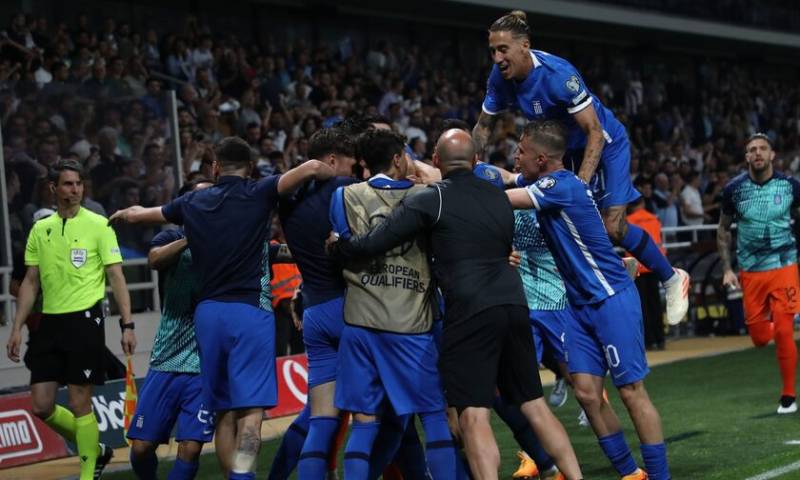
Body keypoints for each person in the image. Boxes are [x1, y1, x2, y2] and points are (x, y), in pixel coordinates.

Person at [328, 128, 582, 480]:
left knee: (473, 415)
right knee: (534, 406)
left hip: (470, 311)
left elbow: (374, 242)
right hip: (513, 303)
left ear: (435, 160)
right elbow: (500, 249)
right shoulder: (500, 196)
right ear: (476, 160)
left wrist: (339, 245)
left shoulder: (431, 198)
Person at [108, 137, 335, 479]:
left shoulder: (193, 200)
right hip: (249, 313)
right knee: (250, 416)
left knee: (223, 413)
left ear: (215, 168)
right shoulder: (259, 191)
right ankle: (242, 477)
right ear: (251, 167)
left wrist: (124, 214)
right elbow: (314, 167)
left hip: (209, 315)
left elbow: (143, 215)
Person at [473, 9, 689, 326]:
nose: (497, 58)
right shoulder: (499, 77)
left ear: (524, 46)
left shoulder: (559, 75)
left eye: (503, 49)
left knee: (613, 227)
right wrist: (469, 165)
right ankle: (615, 265)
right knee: (555, 222)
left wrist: (580, 187)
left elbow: (594, 132)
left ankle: (671, 277)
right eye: (493, 51)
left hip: (604, 142)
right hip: (565, 150)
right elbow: (483, 127)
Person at [506, 120, 669, 480]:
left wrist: (457, 191)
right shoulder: (545, 183)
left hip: (609, 298)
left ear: (542, 158)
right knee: (586, 394)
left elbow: (501, 197)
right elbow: (502, 178)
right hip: (578, 306)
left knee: (631, 391)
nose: (516, 156)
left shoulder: (559, 186)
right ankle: (631, 474)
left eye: (521, 151)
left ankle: (660, 477)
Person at [329, 128, 457, 479]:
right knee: (433, 414)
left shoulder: (343, 195)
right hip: (410, 322)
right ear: (399, 158)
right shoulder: (427, 196)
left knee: (364, 423)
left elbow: (342, 246)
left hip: (360, 321)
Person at [6, 159, 135, 480]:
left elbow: (116, 277)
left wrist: (127, 324)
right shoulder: (40, 229)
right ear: (53, 188)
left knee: (80, 402)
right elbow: (31, 282)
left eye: (78, 184)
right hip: (49, 323)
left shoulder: (99, 225)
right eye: (67, 184)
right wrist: (17, 327)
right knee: (41, 405)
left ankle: (88, 473)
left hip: (85, 321)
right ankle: (97, 448)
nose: (75, 190)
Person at [126, 178, 215, 480]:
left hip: (204, 365)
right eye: (201, 198)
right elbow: (154, 260)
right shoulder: (171, 236)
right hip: (167, 360)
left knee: (190, 449)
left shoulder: (225, 241)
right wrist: (192, 237)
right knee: (141, 448)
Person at [717, 133, 800, 414]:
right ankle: (771, 327)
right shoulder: (734, 190)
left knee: (785, 330)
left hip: (784, 266)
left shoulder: (790, 186)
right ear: (746, 157)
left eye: (763, 148)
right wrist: (727, 269)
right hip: (751, 271)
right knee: (760, 339)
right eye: (752, 149)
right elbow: (723, 230)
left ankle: (788, 396)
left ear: (772, 154)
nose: (758, 153)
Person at [627, 196, 666, 350]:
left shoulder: (628, 220)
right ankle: (660, 339)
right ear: (643, 203)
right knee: (655, 304)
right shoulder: (654, 219)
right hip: (653, 265)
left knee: (642, 306)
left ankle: (648, 341)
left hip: (637, 267)